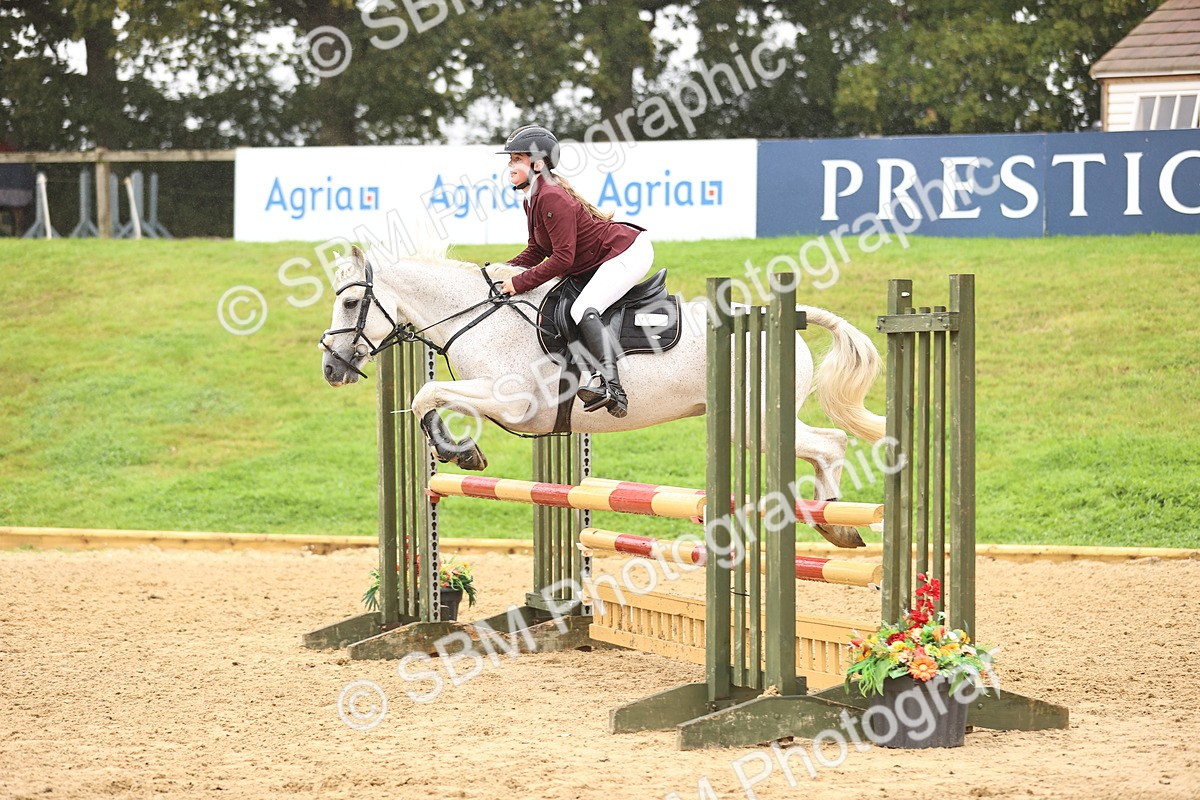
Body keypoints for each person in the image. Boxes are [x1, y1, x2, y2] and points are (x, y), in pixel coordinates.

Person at [496, 124, 653, 418]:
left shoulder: (552, 196)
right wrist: (501, 272)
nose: (510, 165)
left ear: (538, 163)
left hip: (626, 252)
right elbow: (537, 250)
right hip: (599, 258)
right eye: (510, 159)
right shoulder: (533, 198)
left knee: (583, 308)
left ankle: (613, 388)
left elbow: (562, 260)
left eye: (516, 159)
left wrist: (518, 283)